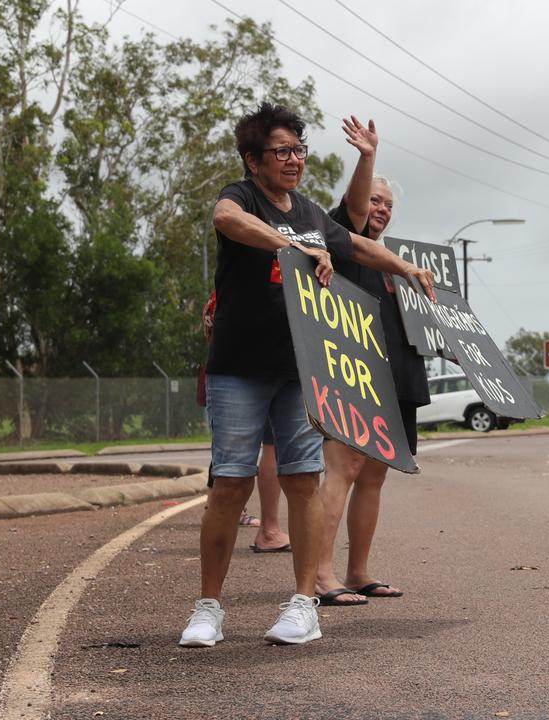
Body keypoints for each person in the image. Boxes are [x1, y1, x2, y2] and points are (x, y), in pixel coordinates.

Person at [179, 102, 435, 648]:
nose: (293, 160)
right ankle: (208, 610)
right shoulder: (242, 196)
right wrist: (289, 244)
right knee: (229, 484)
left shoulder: (313, 213)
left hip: (299, 372)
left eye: (299, 150)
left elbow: (357, 242)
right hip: (237, 370)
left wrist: (405, 267)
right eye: (281, 151)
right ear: (253, 160)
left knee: (302, 482)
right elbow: (227, 220)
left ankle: (302, 605)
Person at [312, 116, 431, 606]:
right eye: (374, 201)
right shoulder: (347, 245)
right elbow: (355, 214)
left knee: (376, 474)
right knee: (343, 466)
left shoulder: (398, 267)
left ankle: (358, 571)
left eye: (388, 204)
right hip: (352, 372)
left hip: (396, 378)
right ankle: (321, 575)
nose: (379, 210)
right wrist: (368, 158)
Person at [203, 291, 290, 553]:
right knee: (255, 455)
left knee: (234, 462)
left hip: (247, 361)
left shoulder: (221, 294)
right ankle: (269, 529)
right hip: (261, 361)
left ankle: (263, 526)